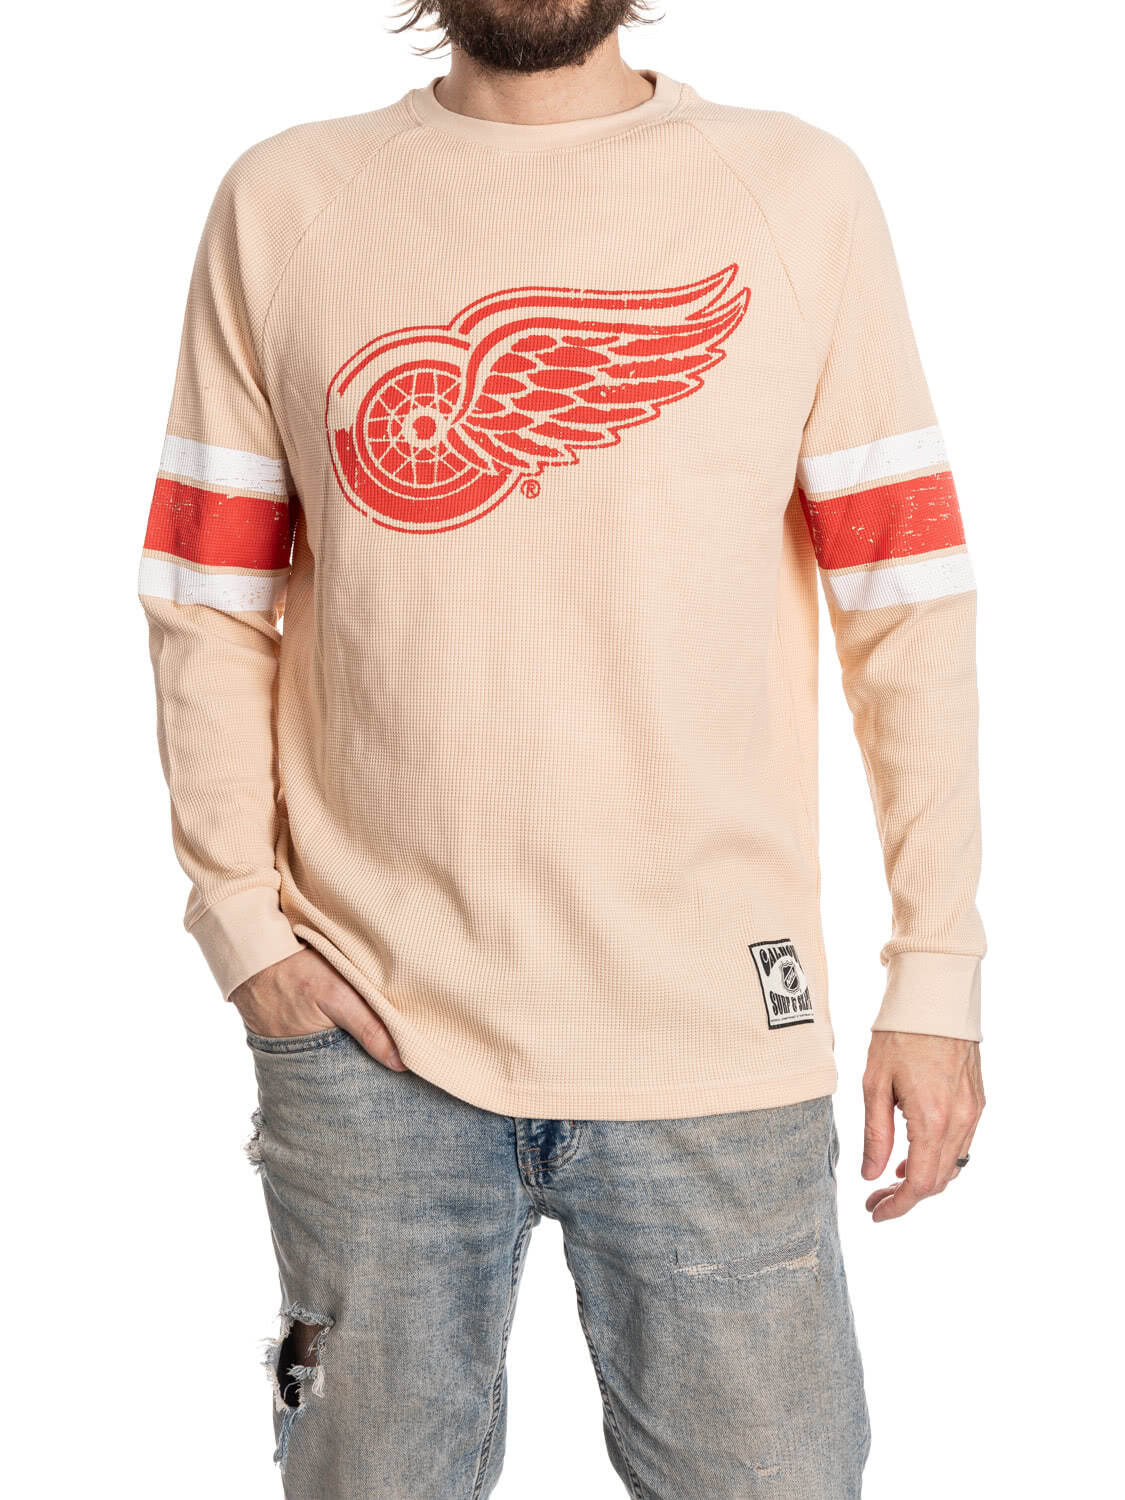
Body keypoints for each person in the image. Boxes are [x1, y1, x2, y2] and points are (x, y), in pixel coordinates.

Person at [137, 2, 987, 1494]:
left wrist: (937, 974)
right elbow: (207, 595)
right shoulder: (285, 201)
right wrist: (242, 927)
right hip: (369, 1032)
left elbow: (902, 600)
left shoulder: (794, 190)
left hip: (712, 1028)